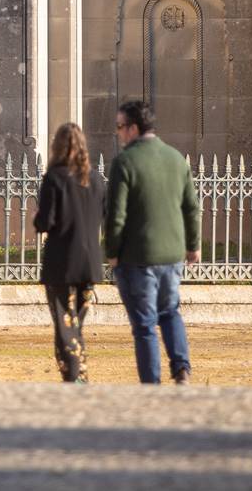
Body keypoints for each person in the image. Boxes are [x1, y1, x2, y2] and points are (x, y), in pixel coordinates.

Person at [103, 99, 200, 385]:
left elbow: (116, 214)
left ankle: (152, 383)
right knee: (170, 312)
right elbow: (191, 207)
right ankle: (181, 367)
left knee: (145, 324)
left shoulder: (125, 162)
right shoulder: (175, 159)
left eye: (120, 127)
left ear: (133, 128)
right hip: (171, 253)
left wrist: (112, 252)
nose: (119, 133)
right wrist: (192, 245)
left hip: (138, 255)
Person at [33, 121, 104, 383]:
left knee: (65, 324)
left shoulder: (54, 178)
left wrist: (37, 217)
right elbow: (102, 215)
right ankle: (79, 373)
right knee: (76, 324)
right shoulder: (95, 180)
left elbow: (46, 222)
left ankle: (74, 376)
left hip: (62, 262)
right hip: (89, 263)